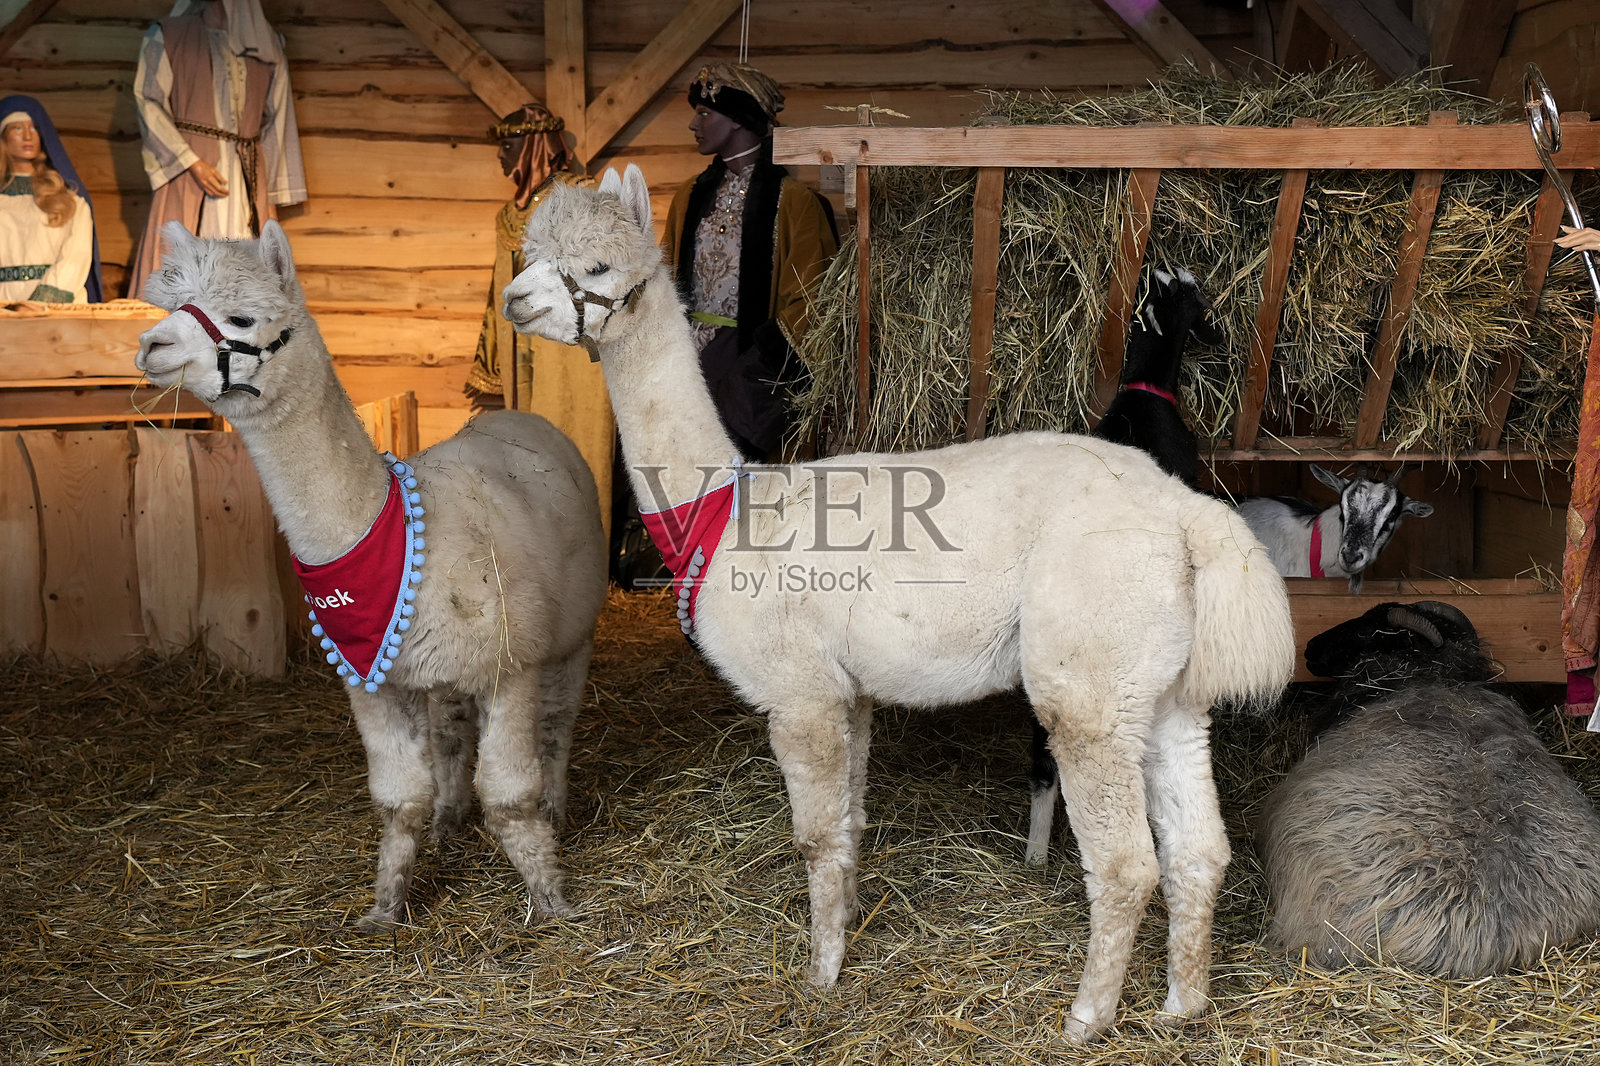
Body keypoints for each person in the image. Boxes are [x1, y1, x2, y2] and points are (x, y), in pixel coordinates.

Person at [660, 61, 838, 460]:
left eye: (704, 112)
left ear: (739, 120)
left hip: (747, 367)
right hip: (688, 362)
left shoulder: (795, 203)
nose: (693, 124)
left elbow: (814, 300)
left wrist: (750, 377)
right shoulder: (688, 197)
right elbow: (666, 277)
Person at [467, 102, 615, 541]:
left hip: (567, 352)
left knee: (575, 435)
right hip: (522, 350)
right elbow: (499, 286)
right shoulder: (509, 214)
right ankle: (540, 548)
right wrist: (496, 354)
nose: (501, 155)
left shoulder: (579, 199)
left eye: (510, 145)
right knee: (529, 447)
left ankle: (586, 547)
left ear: (535, 147)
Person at [128, 0, 306, 298]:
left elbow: (278, 120)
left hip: (247, 175)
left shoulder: (268, 44)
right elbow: (149, 100)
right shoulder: (169, 35)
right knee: (184, 259)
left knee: (245, 275)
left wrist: (269, 189)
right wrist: (188, 160)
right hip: (189, 171)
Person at [0, 96, 101, 303]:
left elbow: (76, 257)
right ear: (3, 137)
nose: (28, 136)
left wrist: (38, 305)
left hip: (57, 311)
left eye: (34, 128)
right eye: (18, 128)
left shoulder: (71, 202)